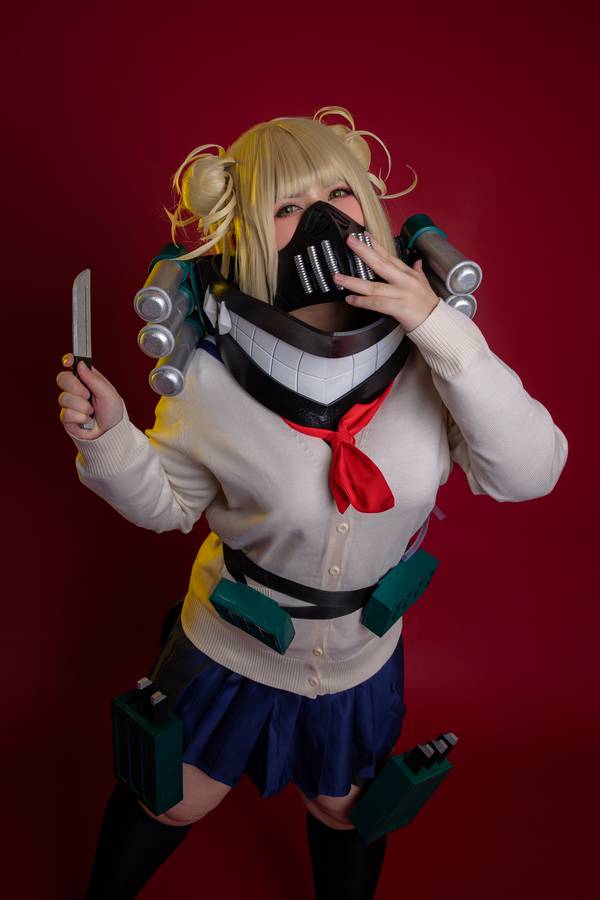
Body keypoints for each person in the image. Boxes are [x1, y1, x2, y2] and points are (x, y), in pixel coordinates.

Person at [57, 107, 568, 899]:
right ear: (249, 233)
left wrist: (442, 331)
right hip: (234, 645)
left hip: (361, 656)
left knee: (347, 810)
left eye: (338, 192)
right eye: (287, 206)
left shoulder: (437, 359)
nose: (322, 221)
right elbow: (166, 504)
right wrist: (110, 438)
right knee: (171, 795)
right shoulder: (210, 376)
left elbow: (531, 473)